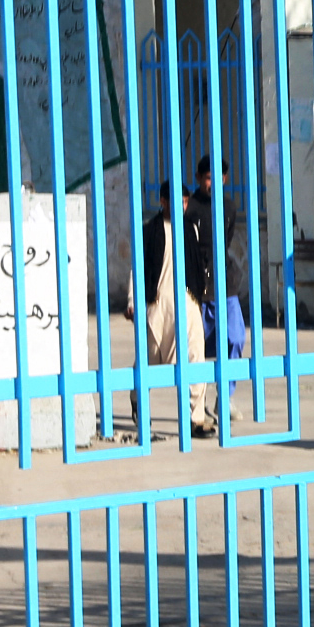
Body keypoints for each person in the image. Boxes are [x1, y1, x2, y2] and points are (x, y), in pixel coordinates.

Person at [134, 179, 219, 441]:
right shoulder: (149, 231)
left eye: (185, 202)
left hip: (188, 301)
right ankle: (140, 406)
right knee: (149, 360)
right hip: (158, 304)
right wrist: (131, 300)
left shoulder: (189, 228)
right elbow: (136, 269)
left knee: (195, 356)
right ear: (162, 201)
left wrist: (199, 297)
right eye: (176, 201)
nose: (182, 206)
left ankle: (195, 418)